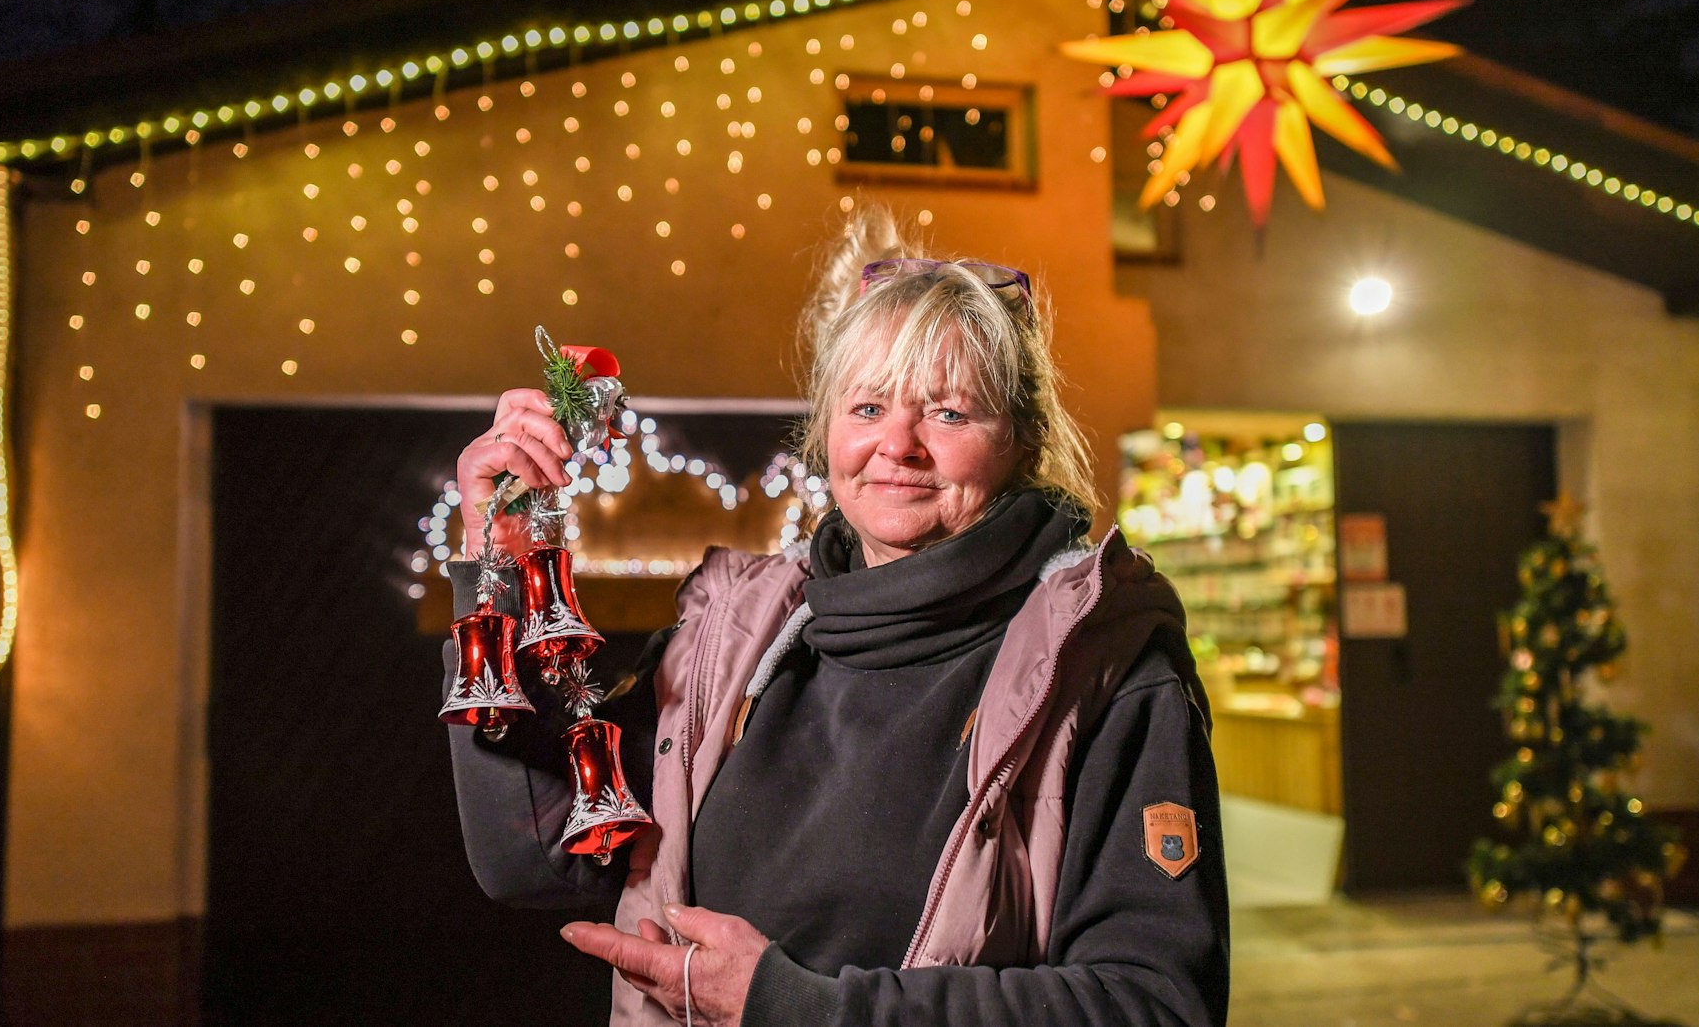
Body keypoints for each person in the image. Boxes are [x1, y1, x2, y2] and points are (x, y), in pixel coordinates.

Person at [447, 206, 1228, 1027]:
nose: (900, 444)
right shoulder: (737, 641)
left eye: (951, 413)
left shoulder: (1102, 666)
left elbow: (1155, 1005)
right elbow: (534, 857)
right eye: (866, 409)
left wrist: (794, 1007)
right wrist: (499, 568)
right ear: (823, 435)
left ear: (1023, 442)